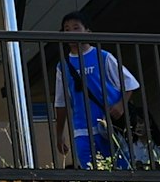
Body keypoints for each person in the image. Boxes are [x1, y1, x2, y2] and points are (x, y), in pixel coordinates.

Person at [54, 13, 139, 169]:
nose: (71, 32)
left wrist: (120, 105)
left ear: (87, 31)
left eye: (76, 28)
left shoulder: (103, 56)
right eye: (67, 29)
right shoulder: (62, 66)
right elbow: (61, 102)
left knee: (121, 169)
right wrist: (59, 134)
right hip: (82, 129)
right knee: (91, 172)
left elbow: (130, 83)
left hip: (110, 127)